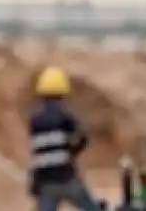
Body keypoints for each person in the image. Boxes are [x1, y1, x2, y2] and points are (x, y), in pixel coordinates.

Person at [29, 66, 98, 211]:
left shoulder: (35, 121)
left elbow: (38, 155)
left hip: (46, 183)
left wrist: (35, 184)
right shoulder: (65, 117)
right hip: (66, 178)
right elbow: (82, 138)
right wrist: (72, 152)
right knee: (91, 208)